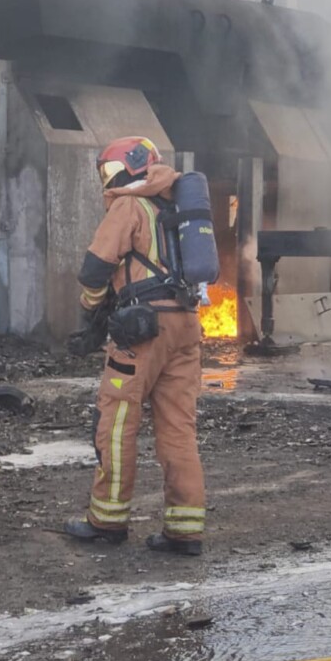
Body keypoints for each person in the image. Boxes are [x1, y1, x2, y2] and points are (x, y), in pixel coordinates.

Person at [63, 136, 206, 556]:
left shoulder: (130, 204)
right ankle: (185, 529)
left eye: (109, 172)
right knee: (179, 428)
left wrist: (91, 311)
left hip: (142, 331)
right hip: (187, 326)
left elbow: (95, 269)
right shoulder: (176, 206)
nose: (109, 181)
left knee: (117, 424)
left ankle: (107, 521)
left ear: (126, 168)